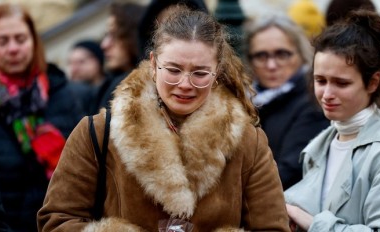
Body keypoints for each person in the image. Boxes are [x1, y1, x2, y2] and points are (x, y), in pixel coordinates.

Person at [37, 5, 290, 231]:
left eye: (200, 73)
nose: (185, 84)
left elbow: (273, 226)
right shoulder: (97, 132)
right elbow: (56, 220)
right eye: (173, 70)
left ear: (217, 73)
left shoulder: (249, 142)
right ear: (153, 63)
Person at [285, 9, 380, 231]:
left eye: (341, 83)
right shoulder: (320, 145)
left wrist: (312, 223)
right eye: (320, 80)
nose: (326, 94)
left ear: (373, 82)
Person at [0, 3, 88, 232]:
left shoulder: (64, 94)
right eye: (2, 41)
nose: (13, 48)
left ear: (34, 42)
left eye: (21, 39)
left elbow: (88, 167)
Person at [243, 13, 329, 190]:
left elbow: (290, 172)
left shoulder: (313, 103)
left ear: (301, 54)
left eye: (282, 54)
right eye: (261, 56)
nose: (271, 65)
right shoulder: (248, 102)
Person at [91, 1, 144, 114]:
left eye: (114, 35)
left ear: (133, 36)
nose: (104, 45)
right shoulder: (110, 83)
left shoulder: (144, 89)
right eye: (106, 35)